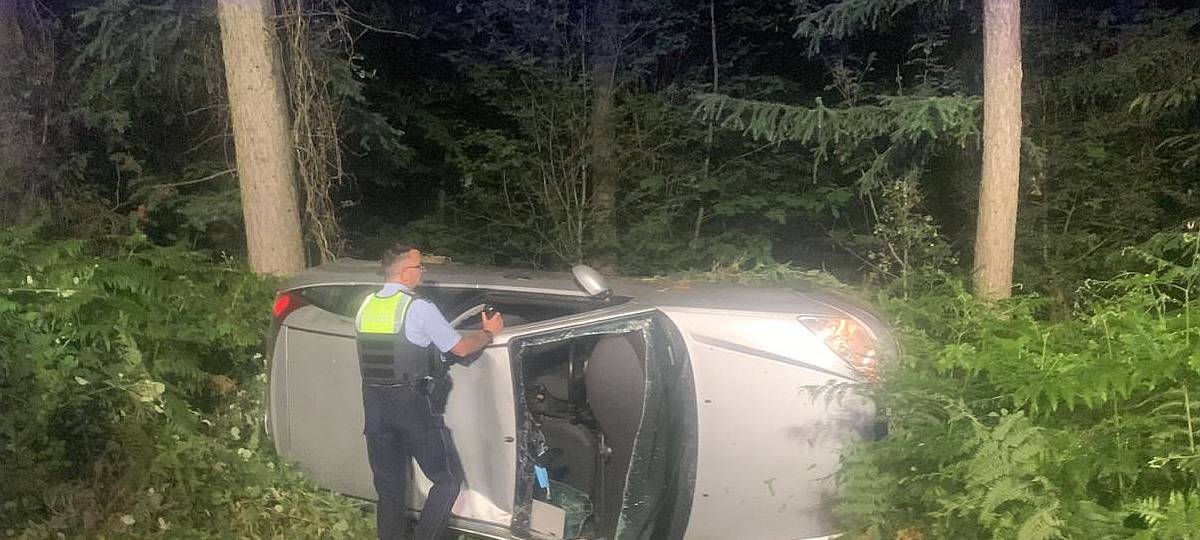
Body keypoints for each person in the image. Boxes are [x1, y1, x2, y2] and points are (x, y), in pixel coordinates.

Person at [355, 244, 504, 540]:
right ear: (405, 273)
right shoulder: (418, 308)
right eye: (420, 267)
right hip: (411, 405)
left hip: (375, 407)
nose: (422, 272)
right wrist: (489, 332)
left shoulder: (366, 305)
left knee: (389, 489)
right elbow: (460, 348)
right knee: (447, 480)